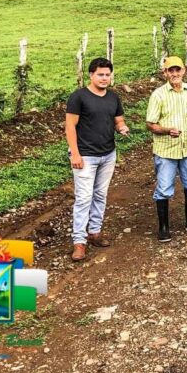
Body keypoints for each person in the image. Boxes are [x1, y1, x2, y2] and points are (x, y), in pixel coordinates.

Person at [66, 58, 129, 262]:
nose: (104, 78)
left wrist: (122, 128)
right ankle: (79, 242)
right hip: (85, 155)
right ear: (91, 75)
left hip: (108, 154)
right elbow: (70, 127)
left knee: (100, 195)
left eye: (107, 75)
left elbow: (118, 120)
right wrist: (75, 154)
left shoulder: (113, 97)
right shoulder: (78, 97)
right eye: (100, 74)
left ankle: (94, 232)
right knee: (84, 198)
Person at [146, 56, 187, 242]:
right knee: (164, 188)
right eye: (170, 71)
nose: (174, 74)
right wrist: (166, 130)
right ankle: (164, 227)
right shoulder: (158, 95)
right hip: (166, 149)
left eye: (177, 70)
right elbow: (150, 124)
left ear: (183, 71)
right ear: (165, 73)